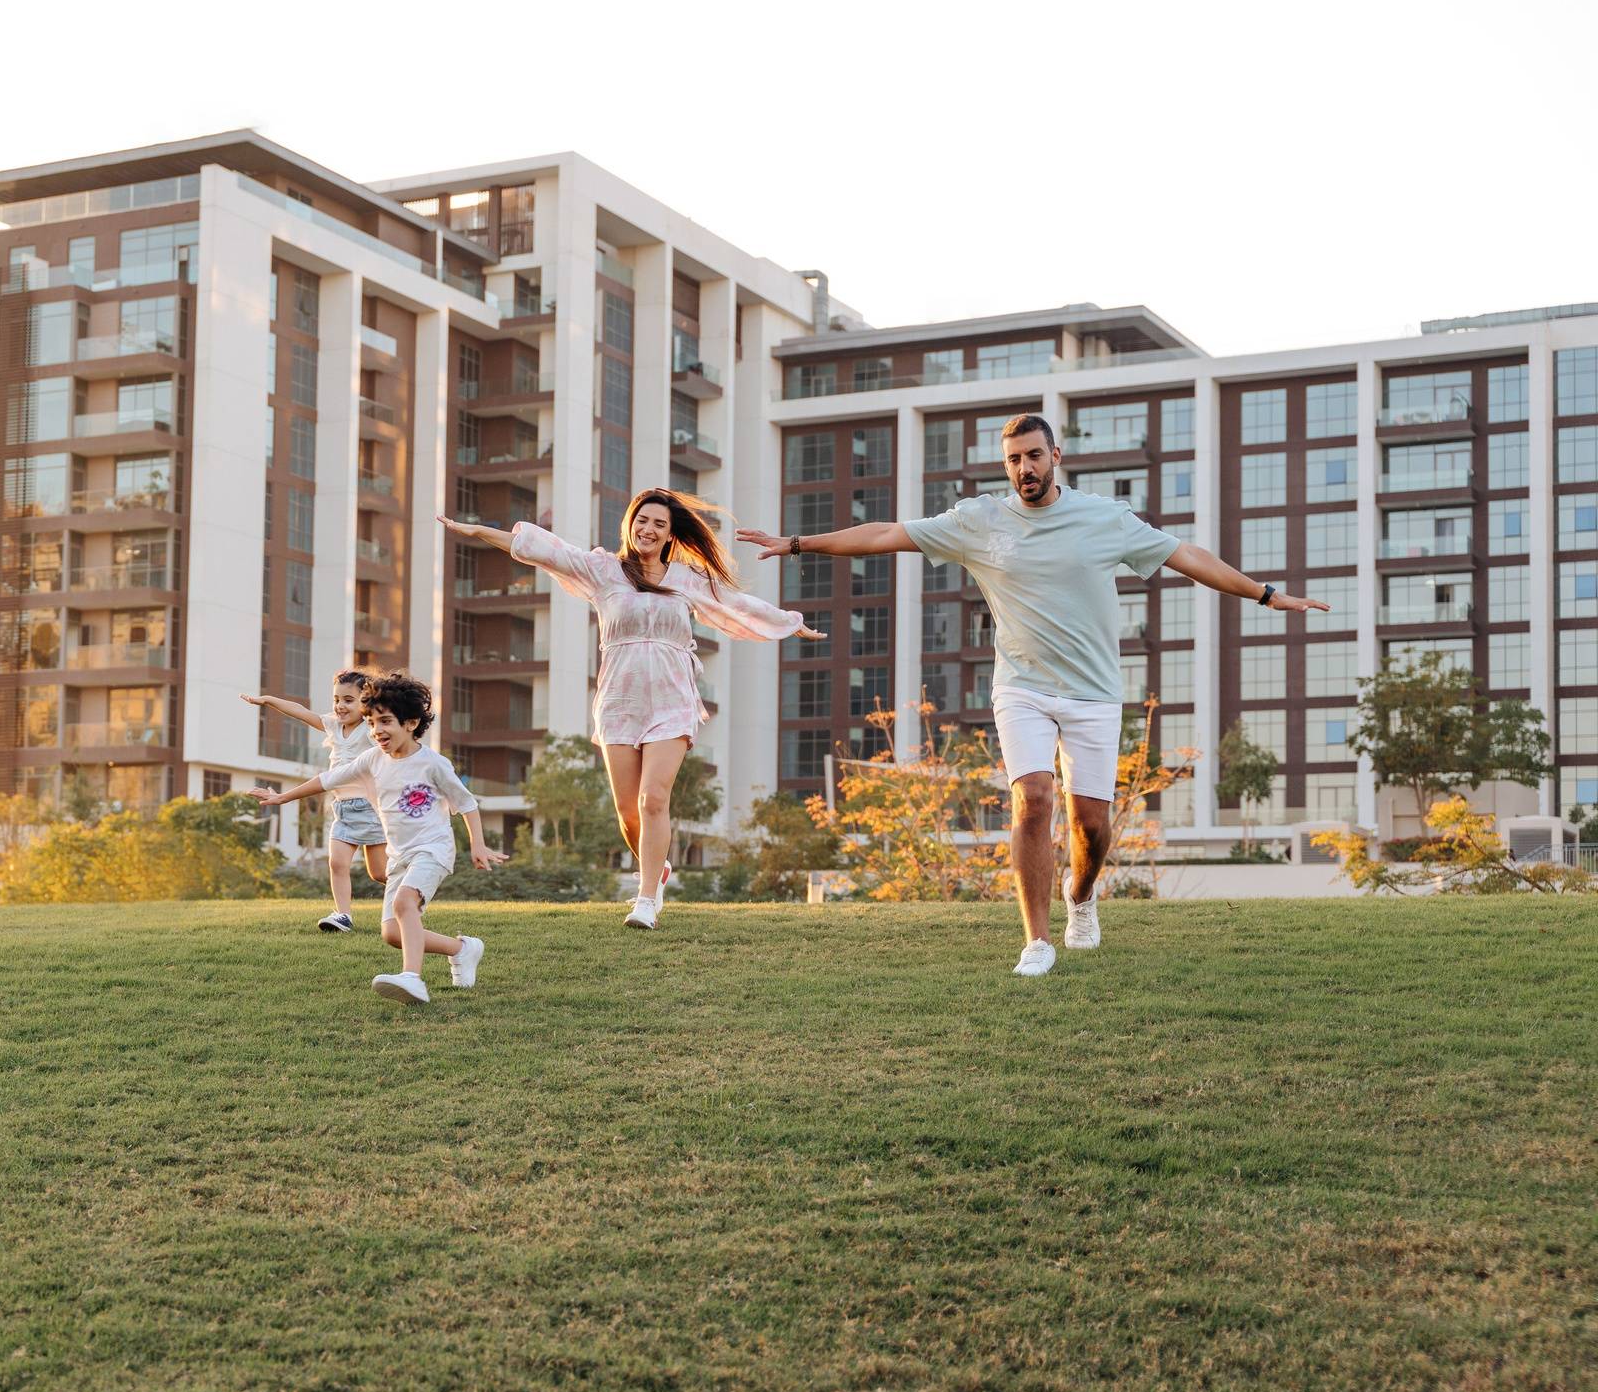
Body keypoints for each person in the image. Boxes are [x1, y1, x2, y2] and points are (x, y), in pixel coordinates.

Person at [736, 412, 1329, 976]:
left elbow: (1187, 556)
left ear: (1056, 457)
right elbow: (886, 533)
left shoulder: (1104, 518)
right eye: (1014, 459)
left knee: (1091, 826)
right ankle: (1037, 941)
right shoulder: (979, 521)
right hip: (1021, 687)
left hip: (1094, 693)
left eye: (1035, 456)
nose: (1025, 467)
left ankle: (1082, 896)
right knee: (1034, 800)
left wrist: (1265, 594)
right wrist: (798, 543)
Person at [441, 490, 821, 929]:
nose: (649, 529)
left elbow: (737, 605)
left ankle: (646, 900)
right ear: (630, 524)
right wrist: (475, 530)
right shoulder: (603, 569)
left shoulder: (687, 578)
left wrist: (790, 622)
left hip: (672, 698)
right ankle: (656, 868)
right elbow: (542, 548)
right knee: (627, 812)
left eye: (659, 524)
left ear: (670, 535)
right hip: (619, 700)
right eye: (643, 520)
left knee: (652, 799)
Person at [255, 670, 505, 1003]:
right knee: (392, 933)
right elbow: (328, 779)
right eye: (372, 723)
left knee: (404, 904)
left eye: (385, 722)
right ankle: (461, 949)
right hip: (399, 856)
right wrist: (283, 797)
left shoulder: (433, 764)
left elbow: (467, 802)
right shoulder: (372, 759)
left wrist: (478, 844)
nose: (376, 731)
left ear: (411, 723)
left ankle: (412, 978)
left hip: (432, 849)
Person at [241, 674, 389, 932]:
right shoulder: (333, 726)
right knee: (337, 863)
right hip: (342, 808)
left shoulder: (370, 729)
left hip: (371, 808)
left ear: (366, 702)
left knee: (379, 873)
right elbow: (301, 712)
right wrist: (268, 700)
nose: (340, 706)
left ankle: (413, 891)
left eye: (349, 700)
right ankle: (343, 916)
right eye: (336, 699)